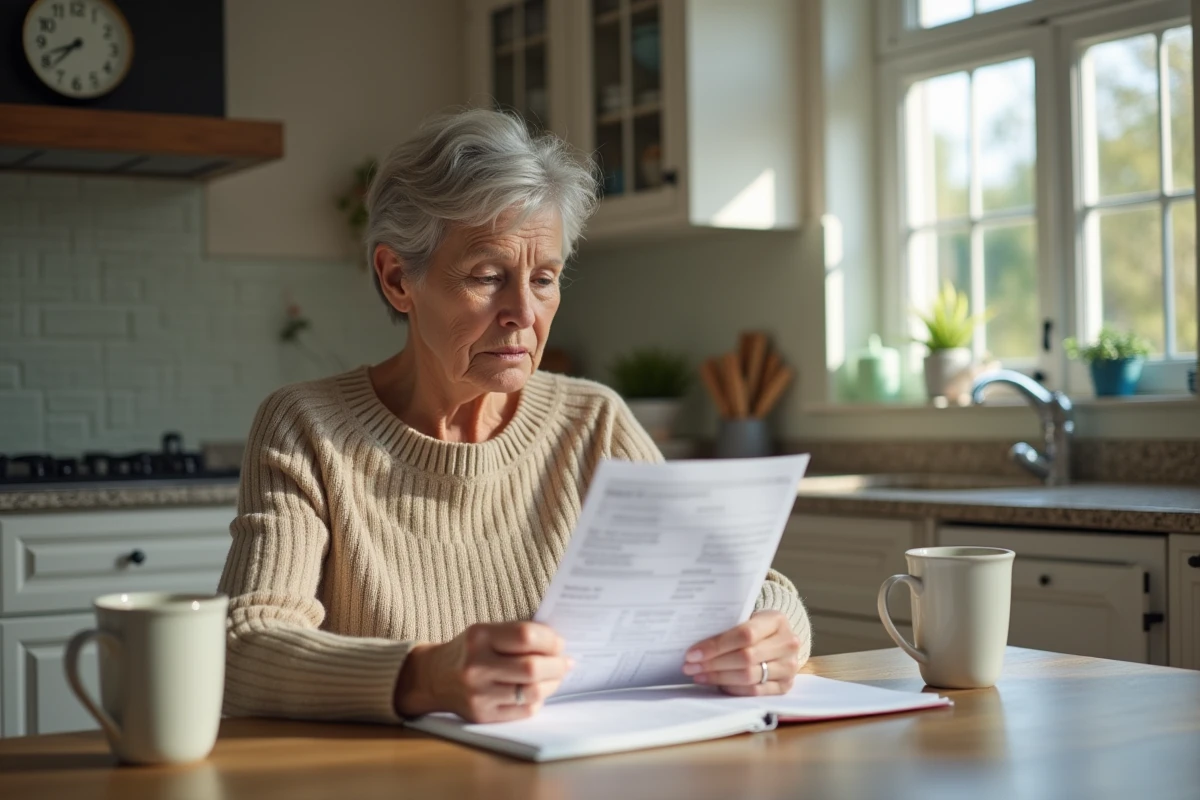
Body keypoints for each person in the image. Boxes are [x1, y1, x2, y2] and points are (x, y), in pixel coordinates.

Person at [217, 109, 811, 725]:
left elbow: (749, 587)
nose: (524, 313)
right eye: (487, 276)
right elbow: (244, 646)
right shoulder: (306, 428)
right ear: (397, 279)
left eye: (544, 279)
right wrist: (426, 676)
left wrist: (774, 634)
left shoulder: (593, 422)